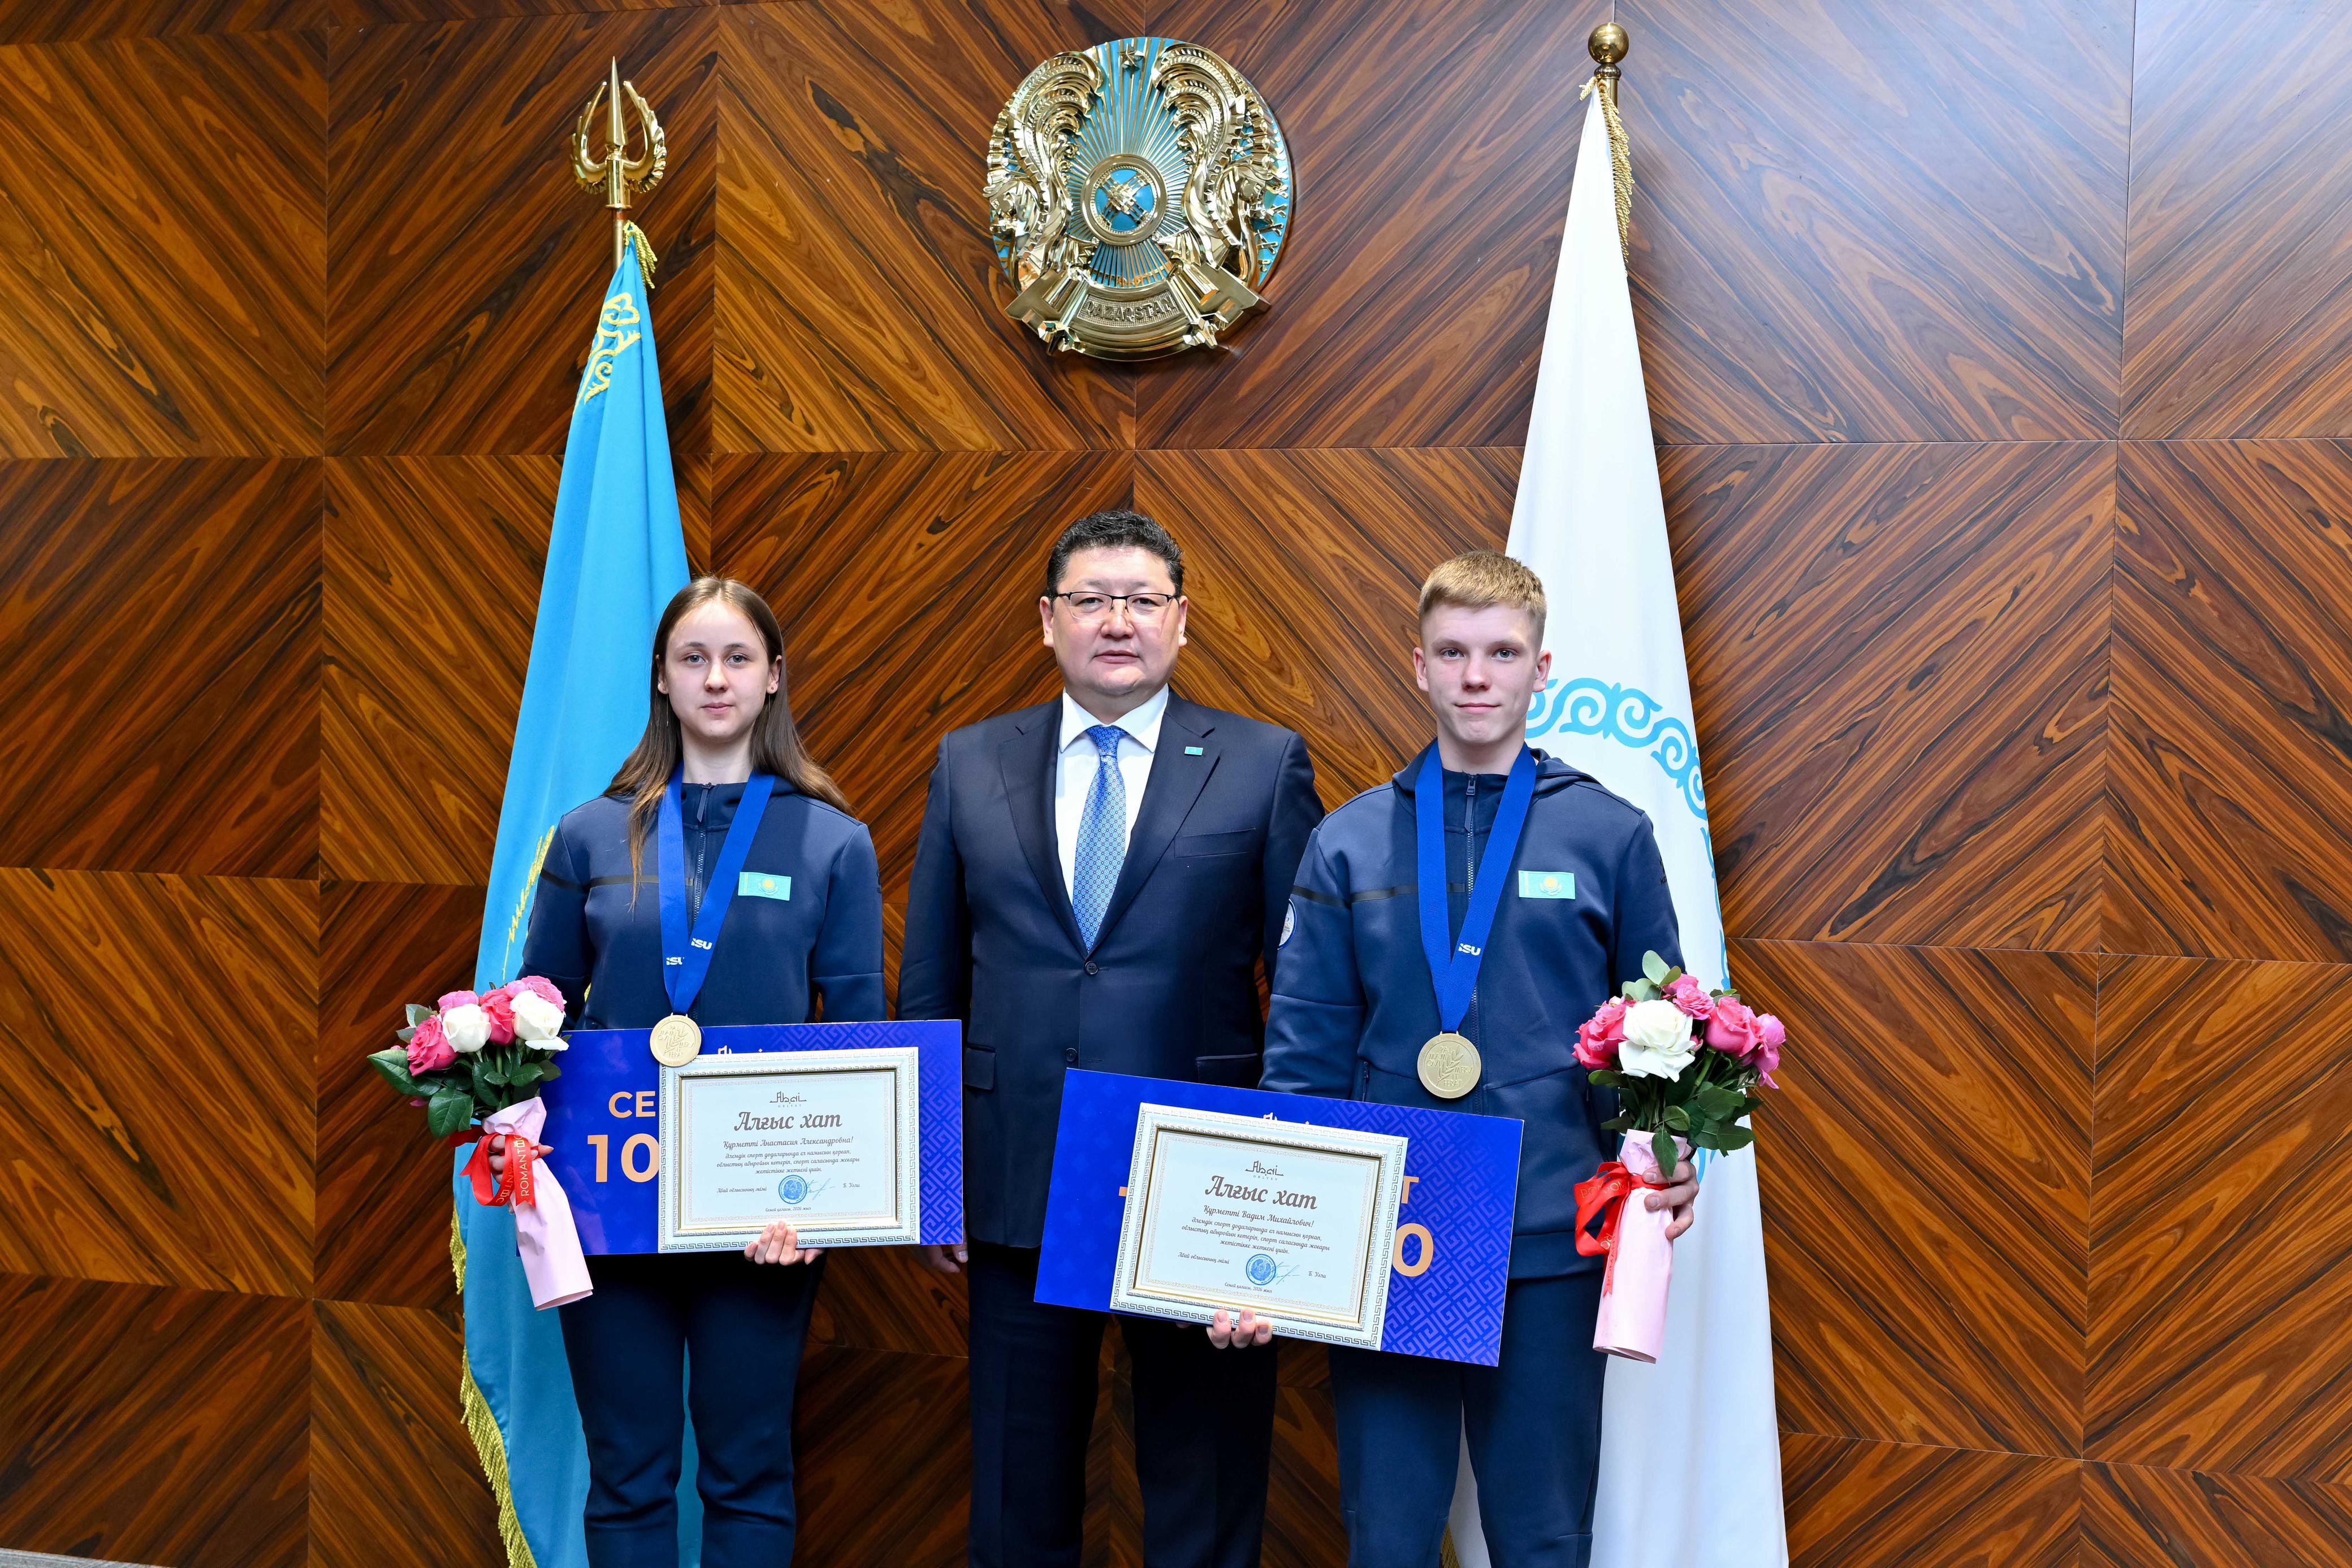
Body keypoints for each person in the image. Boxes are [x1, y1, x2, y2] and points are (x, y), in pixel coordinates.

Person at [1243, 551, 1700, 1568]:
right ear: (1418, 665)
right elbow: (1306, 1053)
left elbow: (1665, 1037)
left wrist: (1670, 1160)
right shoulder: (1350, 841)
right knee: (1390, 1537)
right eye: (1452, 651)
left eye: (1503, 652)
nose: (1477, 674)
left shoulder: (1610, 833)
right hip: (1385, 1241)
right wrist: (1281, 1229)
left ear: (1544, 670)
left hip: (1547, 1239)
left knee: (1541, 1537)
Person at [899, 509, 1325, 1568]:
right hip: (1015, 1180)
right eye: (1091, 599)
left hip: (1205, 1184)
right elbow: (932, 984)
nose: (1117, 621)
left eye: (1142, 600)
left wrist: (1291, 1183)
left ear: (1182, 620)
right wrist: (934, 1170)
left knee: (1205, 1483)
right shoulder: (967, 761)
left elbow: (1312, 993)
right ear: (1048, 622)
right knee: (1016, 1491)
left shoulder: (1265, 764)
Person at [503, 576, 885, 1568]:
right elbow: (534, 1012)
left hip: (766, 1214)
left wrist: (825, 1210)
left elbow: (856, 1039)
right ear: (662, 683)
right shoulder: (593, 832)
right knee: (628, 1471)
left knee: (749, 1471)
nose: (716, 678)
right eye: (692, 659)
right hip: (610, 1206)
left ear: (772, 681)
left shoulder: (833, 840)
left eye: (737, 659)